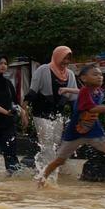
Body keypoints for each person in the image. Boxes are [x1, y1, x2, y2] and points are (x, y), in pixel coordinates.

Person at [36, 63, 105, 193]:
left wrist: (68, 90)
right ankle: (42, 178)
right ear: (83, 78)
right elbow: (92, 108)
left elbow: (82, 92)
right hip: (75, 132)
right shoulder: (84, 92)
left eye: (101, 74)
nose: (99, 77)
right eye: (95, 74)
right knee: (59, 161)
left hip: (93, 129)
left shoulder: (99, 91)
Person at [24, 45, 79, 177]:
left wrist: (77, 117)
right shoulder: (43, 70)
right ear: (57, 56)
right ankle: (49, 175)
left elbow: (73, 100)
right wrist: (24, 111)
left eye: (68, 59)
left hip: (57, 115)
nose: (65, 62)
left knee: (55, 144)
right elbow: (32, 92)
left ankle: (43, 171)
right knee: (47, 143)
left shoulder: (70, 74)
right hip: (41, 114)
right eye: (63, 58)